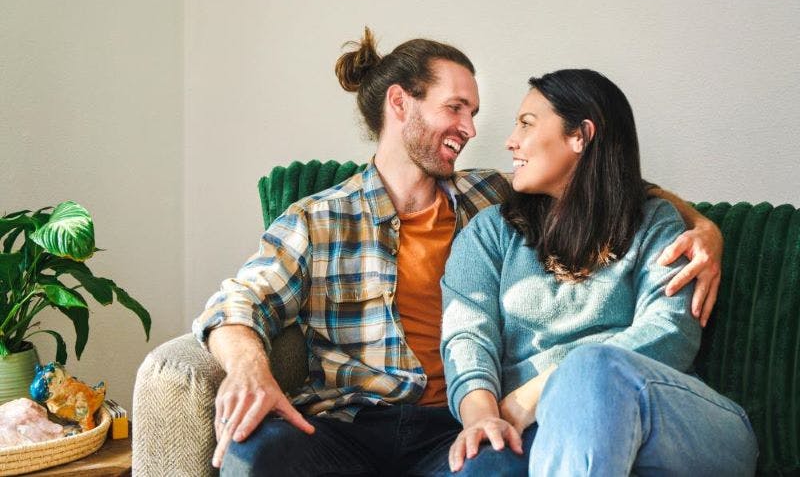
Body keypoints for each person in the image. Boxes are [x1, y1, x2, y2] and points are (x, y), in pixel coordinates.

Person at [192, 29, 724, 475]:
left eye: (473, 112)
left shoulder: (492, 197)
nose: (470, 129)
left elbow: (604, 183)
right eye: (455, 108)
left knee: (500, 463)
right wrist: (249, 370)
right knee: (253, 450)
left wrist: (705, 228)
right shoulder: (316, 219)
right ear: (400, 104)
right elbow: (238, 303)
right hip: (347, 425)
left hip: (452, 429)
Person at [440, 69, 758, 475]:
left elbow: (671, 331)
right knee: (484, 462)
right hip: (544, 434)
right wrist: (484, 419)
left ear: (581, 136)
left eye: (526, 123)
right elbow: (467, 335)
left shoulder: (655, 223)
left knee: (593, 369)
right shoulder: (489, 233)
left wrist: (535, 394)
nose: (510, 140)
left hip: (675, 426)